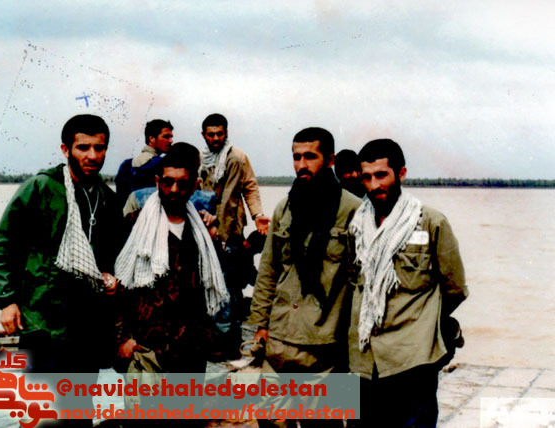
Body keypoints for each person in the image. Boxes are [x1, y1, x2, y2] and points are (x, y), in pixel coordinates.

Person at [0, 114, 124, 374]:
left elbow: (114, 255)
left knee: (80, 398)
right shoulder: (41, 188)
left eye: (99, 148)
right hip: (42, 321)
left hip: (87, 325)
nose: (92, 156)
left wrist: (111, 276)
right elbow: (2, 246)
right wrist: (6, 301)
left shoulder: (108, 199)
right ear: (65, 150)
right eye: (83, 147)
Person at [347, 138, 468, 428]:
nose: (374, 185)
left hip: (412, 360)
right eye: (367, 177)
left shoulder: (431, 223)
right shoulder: (356, 225)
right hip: (363, 360)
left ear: (401, 173)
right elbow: (354, 284)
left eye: (381, 175)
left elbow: (455, 289)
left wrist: (424, 325)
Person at [248, 127, 362, 428]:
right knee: (269, 419)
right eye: (296, 157)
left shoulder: (353, 211)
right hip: (280, 339)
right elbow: (268, 270)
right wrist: (261, 325)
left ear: (330, 160)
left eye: (310, 156)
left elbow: (361, 284)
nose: (301, 165)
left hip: (326, 346)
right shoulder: (285, 207)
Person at [114, 142, 228, 374]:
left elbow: (214, 284)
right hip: (145, 351)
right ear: (158, 182)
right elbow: (119, 286)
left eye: (182, 184)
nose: (174, 189)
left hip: (190, 352)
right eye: (168, 182)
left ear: (195, 186)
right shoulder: (135, 225)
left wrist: (215, 238)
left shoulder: (202, 231)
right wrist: (123, 339)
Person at [199, 113, 270, 359]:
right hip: (205, 232)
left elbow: (250, 186)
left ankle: (231, 344)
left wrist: (258, 215)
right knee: (208, 286)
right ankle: (212, 341)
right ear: (203, 135)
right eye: (211, 134)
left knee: (231, 289)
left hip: (231, 232)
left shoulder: (237, 157)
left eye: (220, 133)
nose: (215, 138)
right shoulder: (201, 160)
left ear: (226, 133)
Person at [115, 119, 174, 204]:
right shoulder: (162, 164)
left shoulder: (126, 164)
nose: (171, 141)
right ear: (152, 138)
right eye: (166, 137)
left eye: (171, 137)